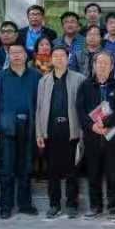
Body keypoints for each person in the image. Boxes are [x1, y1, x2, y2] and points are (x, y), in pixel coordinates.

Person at [0, 44, 42, 219]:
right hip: (7, 128)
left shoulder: (36, 76)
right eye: (13, 53)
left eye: (20, 52)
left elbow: (41, 104)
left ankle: (25, 204)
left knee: (26, 168)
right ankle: (5, 206)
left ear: (26, 56)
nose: (16, 55)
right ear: (8, 56)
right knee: (7, 169)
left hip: (29, 127)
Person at [35, 45, 87, 219]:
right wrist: (39, 133)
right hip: (50, 130)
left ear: (68, 58)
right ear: (51, 59)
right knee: (52, 171)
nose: (58, 58)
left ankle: (72, 204)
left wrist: (82, 132)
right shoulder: (43, 81)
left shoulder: (79, 79)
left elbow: (84, 107)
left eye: (62, 56)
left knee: (72, 170)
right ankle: (54, 204)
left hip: (71, 130)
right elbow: (39, 108)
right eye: (55, 56)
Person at [76, 51, 115, 222]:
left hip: (111, 135)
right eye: (99, 63)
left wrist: (104, 124)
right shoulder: (85, 85)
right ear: (94, 65)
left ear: (111, 67)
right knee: (93, 173)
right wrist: (92, 127)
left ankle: (114, 209)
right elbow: (80, 110)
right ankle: (95, 207)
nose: (102, 66)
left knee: (113, 174)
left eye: (106, 63)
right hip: (92, 136)